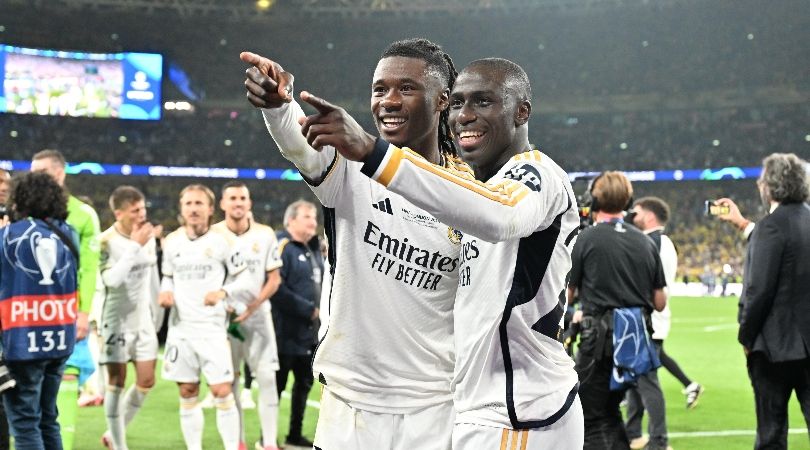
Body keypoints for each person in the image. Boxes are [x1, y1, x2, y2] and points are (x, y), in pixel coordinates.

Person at [293, 57, 584, 449]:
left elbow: (499, 214)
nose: (465, 115)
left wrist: (374, 153)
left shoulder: (535, 173)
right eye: (458, 103)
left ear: (522, 111)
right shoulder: (474, 188)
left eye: (483, 102)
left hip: (521, 412)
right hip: (479, 409)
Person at [242, 38, 465, 449]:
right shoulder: (350, 168)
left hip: (438, 405)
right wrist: (278, 106)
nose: (389, 101)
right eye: (380, 89)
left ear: (442, 101)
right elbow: (300, 142)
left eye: (406, 88)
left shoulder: (469, 190)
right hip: (350, 406)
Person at [567, 172, 667, 450]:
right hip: (634, 345)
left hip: (598, 343)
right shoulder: (646, 242)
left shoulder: (587, 239)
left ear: (594, 199)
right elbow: (660, 301)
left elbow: (568, 294)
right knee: (610, 412)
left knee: (589, 416)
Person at [159, 184, 248, 450]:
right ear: (182, 208)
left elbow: (245, 278)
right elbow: (168, 276)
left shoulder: (224, 241)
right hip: (180, 331)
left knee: (222, 392)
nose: (193, 209)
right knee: (187, 392)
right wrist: (165, 291)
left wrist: (223, 292)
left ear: (210, 209)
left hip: (211, 329)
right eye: (188, 204)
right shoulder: (172, 241)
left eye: (199, 204)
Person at [734, 153, 810, 449]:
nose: (759, 184)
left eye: (762, 179)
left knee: (771, 433)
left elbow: (759, 290)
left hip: (773, 348)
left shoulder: (770, 226)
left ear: (770, 186)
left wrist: (746, 336)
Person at [0, 172, 79, 450]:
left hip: (22, 342)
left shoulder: (9, 235)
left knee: (24, 425)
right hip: (59, 339)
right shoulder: (68, 234)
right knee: (48, 420)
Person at [30, 149, 100, 450]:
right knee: (27, 390)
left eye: (42, 172)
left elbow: (88, 269)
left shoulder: (82, 215)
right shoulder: (24, 211)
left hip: (66, 314)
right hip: (29, 313)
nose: (36, 179)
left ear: (60, 173)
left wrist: (83, 314)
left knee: (66, 380)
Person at [210, 181, 283, 450]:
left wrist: (253, 306)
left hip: (258, 316)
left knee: (266, 378)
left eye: (243, 198)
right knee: (230, 381)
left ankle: (270, 443)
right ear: (223, 204)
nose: (238, 203)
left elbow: (274, 279)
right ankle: (238, 441)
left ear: (249, 203)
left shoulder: (265, 235)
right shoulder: (213, 235)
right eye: (233, 198)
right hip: (224, 319)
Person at [96, 186, 159, 450]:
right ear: (118, 212)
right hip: (116, 320)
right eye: (135, 211)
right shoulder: (105, 241)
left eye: (143, 209)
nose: (141, 215)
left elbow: (151, 278)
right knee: (117, 382)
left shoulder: (148, 236)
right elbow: (112, 280)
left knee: (146, 381)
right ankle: (119, 445)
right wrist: (134, 247)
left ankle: (113, 433)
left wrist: (157, 315)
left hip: (143, 320)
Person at [270, 200, 322, 448]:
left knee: (303, 386)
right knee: (275, 390)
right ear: (290, 220)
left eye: (314, 217)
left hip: (308, 336)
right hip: (283, 334)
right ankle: (268, 438)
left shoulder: (312, 249)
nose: (313, 221)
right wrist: (308, 309)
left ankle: (294, 435)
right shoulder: (282, 246)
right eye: (307, 217)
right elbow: (275, 287)